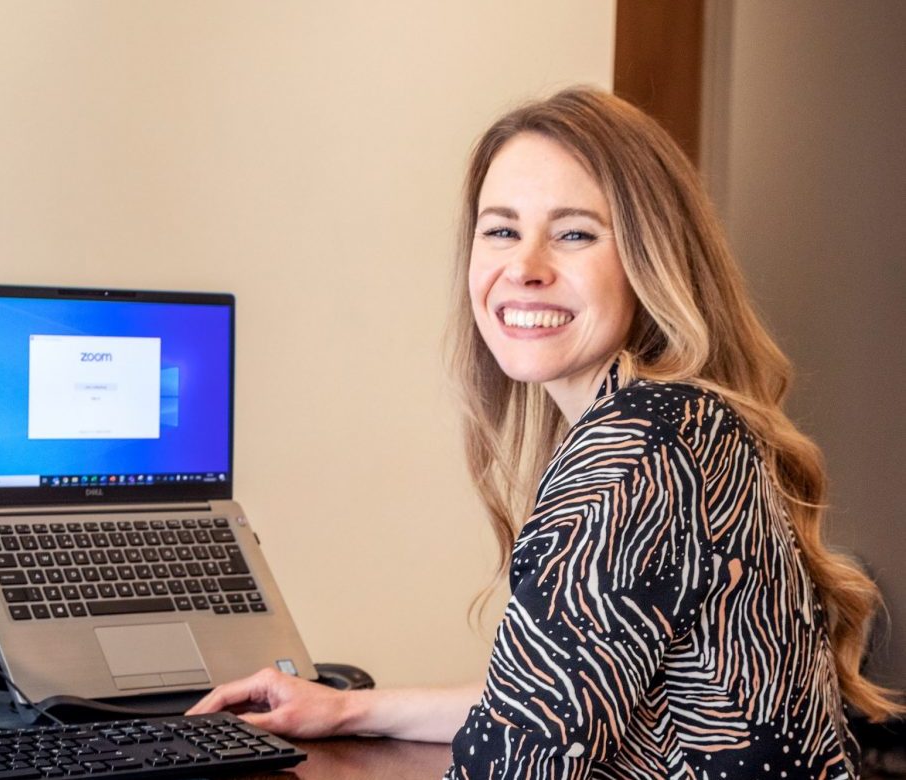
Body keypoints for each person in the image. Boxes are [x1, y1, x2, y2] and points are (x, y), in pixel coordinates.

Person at [188, 87, 900, 777]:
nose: (523, 269)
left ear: (650, 260)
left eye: (573, 234)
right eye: (501, 230)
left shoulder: (637, 449)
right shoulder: (686, 419)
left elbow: (514, 759)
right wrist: (345, 710)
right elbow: (544, 699)